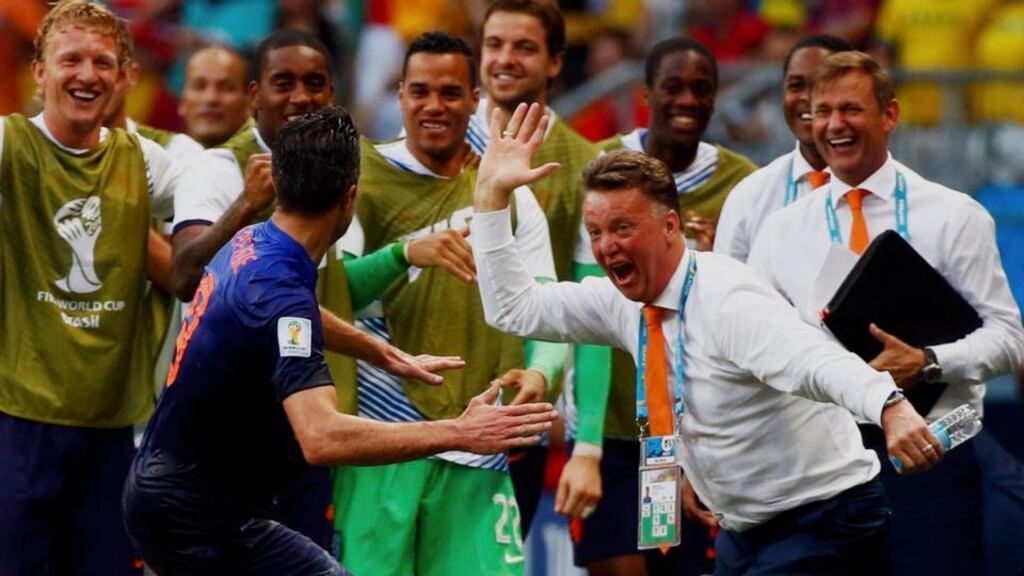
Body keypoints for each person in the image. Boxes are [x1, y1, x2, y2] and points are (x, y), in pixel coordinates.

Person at [473, 102, 951, 575]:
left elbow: (815, 361)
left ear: (669, 226)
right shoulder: (623, 303)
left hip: (829, 522)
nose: (606, 246)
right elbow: (514, 309)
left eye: (622, 227)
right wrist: (492, 199)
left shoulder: (727, 299)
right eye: (595, 231)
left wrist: (889, 405)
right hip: (744, 533)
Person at [122, 104, 560, 575]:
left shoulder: (254, 242)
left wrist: (381, 352)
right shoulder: (280, 290)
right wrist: (460, 432)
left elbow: (288, 315)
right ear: (350, 198)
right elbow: (321, 437)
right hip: (195, 518)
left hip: (183, 500)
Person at [169, 28, 480, 550]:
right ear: (254, 96)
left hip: (307, 425)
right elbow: (184, 278)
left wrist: (384, 353)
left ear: (331, 94)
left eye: (314, 83)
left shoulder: (340, 169)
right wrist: (247, 203)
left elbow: (317, 301)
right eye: (282, 82)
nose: (300, 96)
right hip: (231, 438)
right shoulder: (219, 168)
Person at [747, 51, 1024, 576]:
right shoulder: (781, 231)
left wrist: (927, 360)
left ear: (889, 115)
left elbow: (1009, 339)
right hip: (822, 471)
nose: (833, 125)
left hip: (929, 458)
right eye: (822, 111)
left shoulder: (952, 214)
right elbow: (754, 345)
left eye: (850, 109)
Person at [330, 31, 557, 576]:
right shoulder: (359, 179)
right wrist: (405, 253)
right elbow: (334, 297)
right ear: (400, 96)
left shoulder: (511, 195)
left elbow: (549, 313)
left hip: (478, 442)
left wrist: (542, 372)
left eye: (451, 93)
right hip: (382, 443)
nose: (435, 106)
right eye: (420, 91)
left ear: (475, 100)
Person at [0, 1, 181, 573]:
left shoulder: (147, 161)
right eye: (70, 59)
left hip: (112, 433)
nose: (86, 75)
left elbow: (201, 250)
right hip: (18, 422)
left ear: (125, 75)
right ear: (39, 71)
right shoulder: (9, 145)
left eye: (102, 62)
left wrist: (249, 204)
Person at [470, 0, 600, 536]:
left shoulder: (584, 165)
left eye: (524, 47)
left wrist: (585, 441)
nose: (505, 59)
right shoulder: (434, 141)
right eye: (495, 44)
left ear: (554, 62)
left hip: (518, 414)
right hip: (418, 410)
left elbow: (591, 311)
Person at [714, 34, 852, 263]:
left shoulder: (906, 197)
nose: (807, 97)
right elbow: (724, 293)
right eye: (796, 86)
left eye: (821, 84)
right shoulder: (749, 197)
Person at [177, 45, 252, 149]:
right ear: (182, 101)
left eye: (226, 88)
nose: (211, 98)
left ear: (249, 103)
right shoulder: (157, 162)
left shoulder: (271, 163)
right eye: (199, 86)